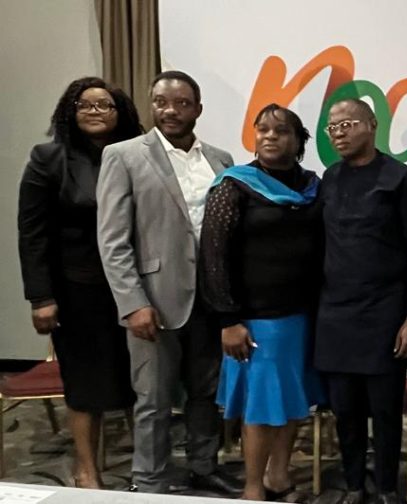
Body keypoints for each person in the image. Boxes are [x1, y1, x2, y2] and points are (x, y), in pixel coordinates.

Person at [96, 70, 241, 495]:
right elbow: (112, 240)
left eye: (181, 103)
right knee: (153, 399)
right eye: (161, 102)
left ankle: (203, 466)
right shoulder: (124, 156)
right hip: (155, 301)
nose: (170, 111)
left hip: (210, 301)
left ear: (198, 109)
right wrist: (132, 302)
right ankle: (149, 479)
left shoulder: (221, 160)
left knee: (205, 392)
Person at [17, 77, 142, 489]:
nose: (94, 112)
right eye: (84, 105)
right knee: (86, 383)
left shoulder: (137, 154)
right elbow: (32, 233)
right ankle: (86, 469)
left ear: (120, 112)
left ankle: (145, 465)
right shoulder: (49, 159)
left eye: (104, 105)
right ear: (69, 112)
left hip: (133, 288)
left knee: (136, 379)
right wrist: (40, 297)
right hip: (77, 290)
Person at [199, 103, 323, 501]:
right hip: (256, 320)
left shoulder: (312, 187)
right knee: (262, 408)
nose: (270, 136)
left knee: (292, 402)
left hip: (302, 315)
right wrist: (228, 320)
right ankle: (253, 489)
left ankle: (278, 477)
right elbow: (213, 258)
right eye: (263, 129)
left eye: (280, 131)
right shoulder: (233, 185)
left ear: (298, 141)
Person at [315, 98, 407, 504]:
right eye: (332, 127)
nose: (339, 133)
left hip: (385, 314)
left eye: (347, 124)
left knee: (384, 411)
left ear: (372, 125)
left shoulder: (400, 178)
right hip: (335, 315)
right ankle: (353, 485)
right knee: (344, 411)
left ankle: (386, 488)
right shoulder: (329, 178)